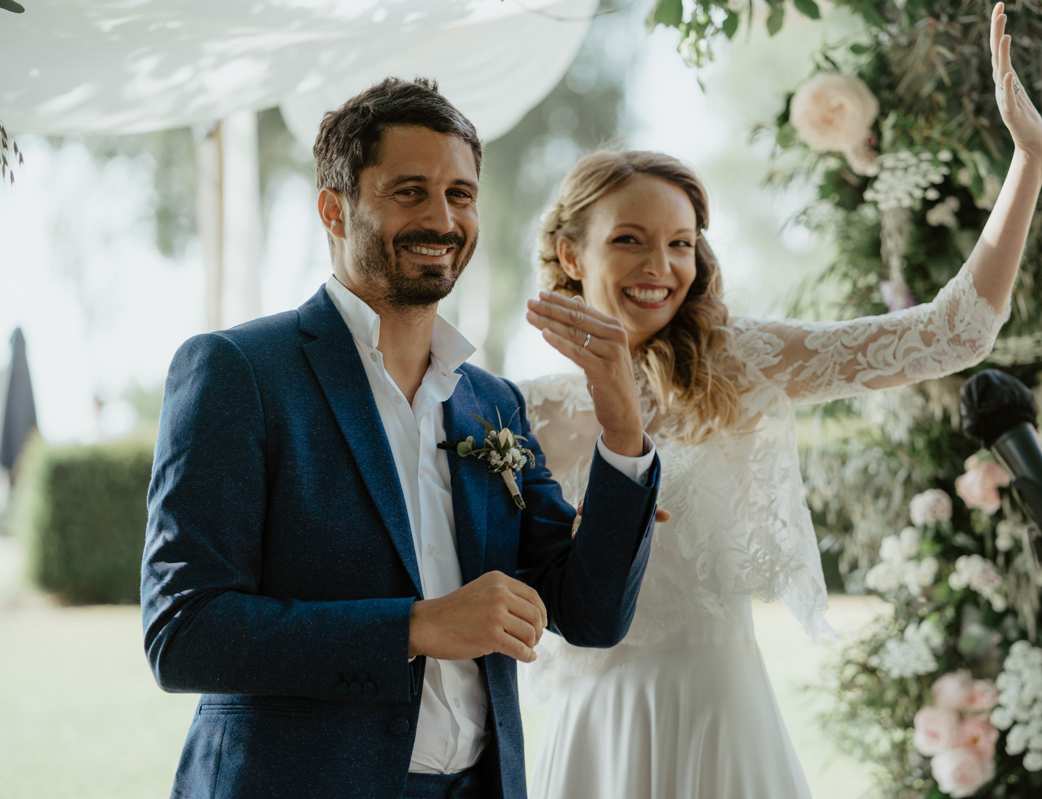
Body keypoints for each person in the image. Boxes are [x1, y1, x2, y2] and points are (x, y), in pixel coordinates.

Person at [520, 5, 1042, 797]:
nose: (660, 265)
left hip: (719, 711)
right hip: (598, 722)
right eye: (629, 238)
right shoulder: (524, 413)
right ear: (571, 252)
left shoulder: (744, 361)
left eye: (680, 242)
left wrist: (1029, 157)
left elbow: (954, 333)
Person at [140, 77, 663, 799]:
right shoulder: (240, 372)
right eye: (409, 191)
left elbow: (591, 615)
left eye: (460, 194)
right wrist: (415, 627)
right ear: (334, 208)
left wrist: (622, 429)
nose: (442, 218)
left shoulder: (492, 402)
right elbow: (185, 632)